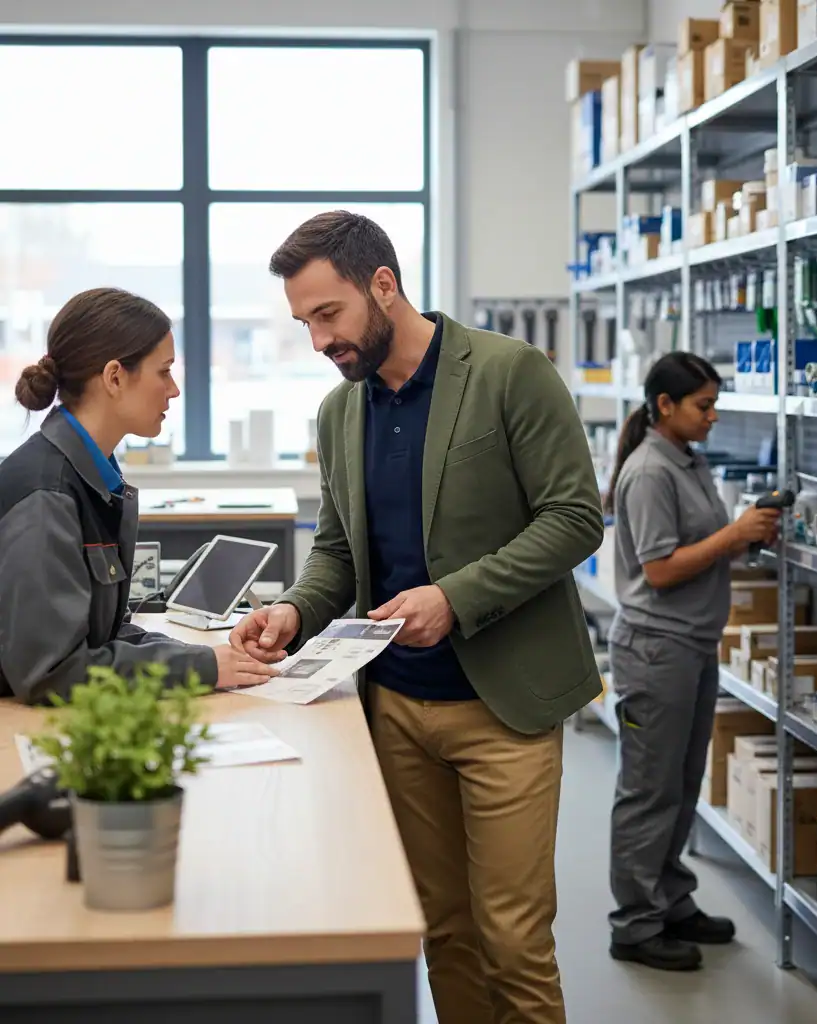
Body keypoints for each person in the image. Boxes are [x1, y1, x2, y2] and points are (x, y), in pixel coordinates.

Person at [229, 210, 604, 1024]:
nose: (319, 340)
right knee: (444, 932)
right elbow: (337, 551)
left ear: (384, 286)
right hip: (394, 708)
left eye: (328, 314)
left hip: (503, 706)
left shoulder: (509, 372)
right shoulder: (339, 414)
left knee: (512, 941)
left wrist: (456, 597)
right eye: (304, 323)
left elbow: (575, 518)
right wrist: (292, 610)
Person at [0, 287, 279, 705]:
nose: (174, 390)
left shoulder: (95, 478)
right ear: (115, 377)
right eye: (164, 371)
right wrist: (203, 669)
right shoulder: (48, 496)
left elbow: (105, 635)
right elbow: (52, 672)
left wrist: (211, 658)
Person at [604, 352, 781, 972]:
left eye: (714, 405)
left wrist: (746, 534)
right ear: (665, 407)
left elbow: (695, 548)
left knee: (681, 786)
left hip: (691, 646)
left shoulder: (688, 460)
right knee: (649, 791)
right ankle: (635, 924)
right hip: (657, 650)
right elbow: (660, 569)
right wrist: (733, 536)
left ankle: (670, 899)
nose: (713, 416)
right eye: (703, 406)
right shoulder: (650, 470)